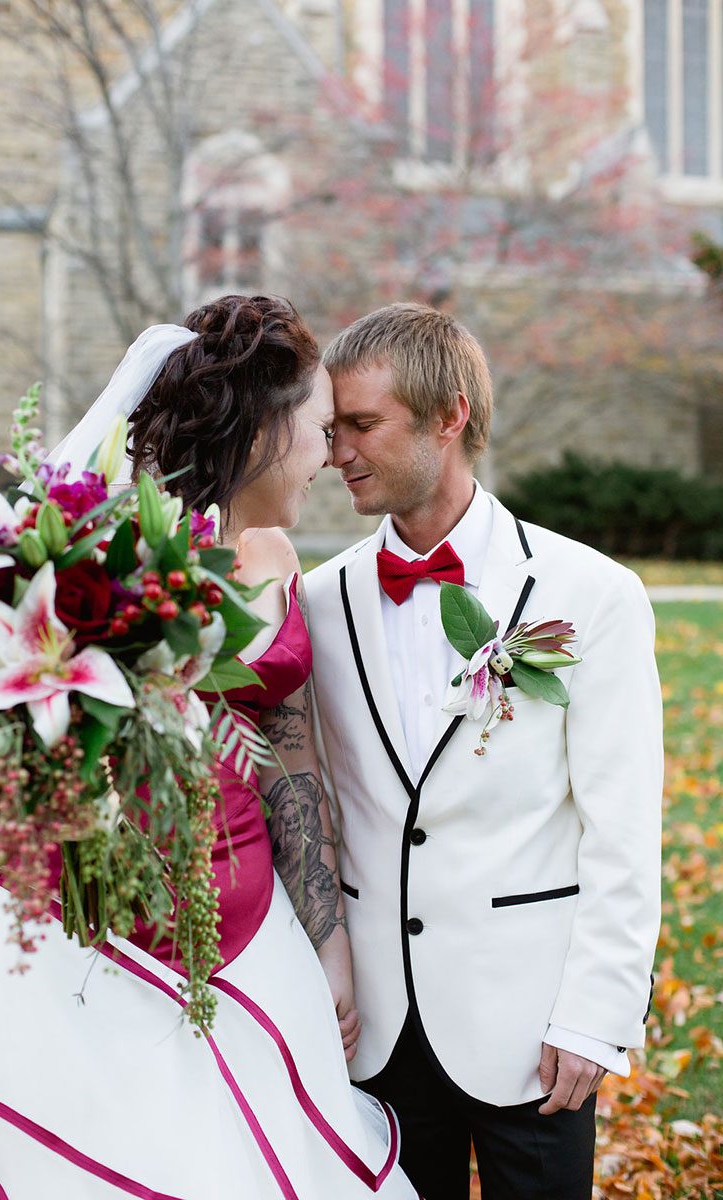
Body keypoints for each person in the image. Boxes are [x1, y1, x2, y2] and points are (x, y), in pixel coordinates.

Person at [0, 296, 416, 1200]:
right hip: (111, 921)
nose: (328, 455)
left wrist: (329, 938)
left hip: (254, 917)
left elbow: (288, 749)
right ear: (263, 429)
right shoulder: (106, 553)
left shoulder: (276, 555)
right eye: (318, 430)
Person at [304, 302, 663, 1200]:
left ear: (449, 415)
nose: (337, 452)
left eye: (362, 424)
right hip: (373, 1028)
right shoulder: (316, 603)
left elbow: (622, 831)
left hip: (534, 1029)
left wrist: (597, 1016)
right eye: (331, 428)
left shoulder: (592, 594)